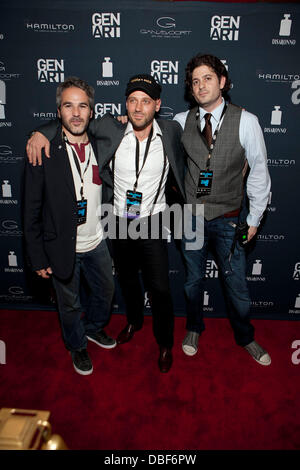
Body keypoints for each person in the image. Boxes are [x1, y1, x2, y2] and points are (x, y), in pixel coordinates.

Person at [26, 74, 186, 373]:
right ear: (126, 103)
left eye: (146, 101)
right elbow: (72, 123)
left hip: (152, 220)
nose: (138, 108)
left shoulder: (172, 130)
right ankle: (134, 322)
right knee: (126, 280)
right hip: (119, 222)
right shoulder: (110, 127)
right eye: (133, 101)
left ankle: (165, 342)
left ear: (157, 105)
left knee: (161, 289)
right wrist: (40, 133)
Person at [173, 54, 272, 366]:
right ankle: (193, 328)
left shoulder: (247, 121)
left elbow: (258, 171)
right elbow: (144, 135)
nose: (201, 85)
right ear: (191, 88)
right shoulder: (179, 121)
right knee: (191, 281)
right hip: (191, 219)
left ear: (223, 82)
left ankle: (245, 336)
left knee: (238, 286)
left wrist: (254, 219)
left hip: (229, 220)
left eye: (208, 78)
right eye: (195, 81)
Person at [24, 77, 116, 376]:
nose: (76, 113)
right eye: (68, 105)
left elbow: (127, 122)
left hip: (98, 241)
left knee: (105, 292)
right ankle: (77, 345)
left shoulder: (102, 143)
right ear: (59, 110)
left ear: (91, 111)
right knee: (70, 304)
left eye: (82, 106)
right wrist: (37, 257)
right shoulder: (43, 149)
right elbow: (31, 209)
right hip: (62, 246)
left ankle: (93, 329)